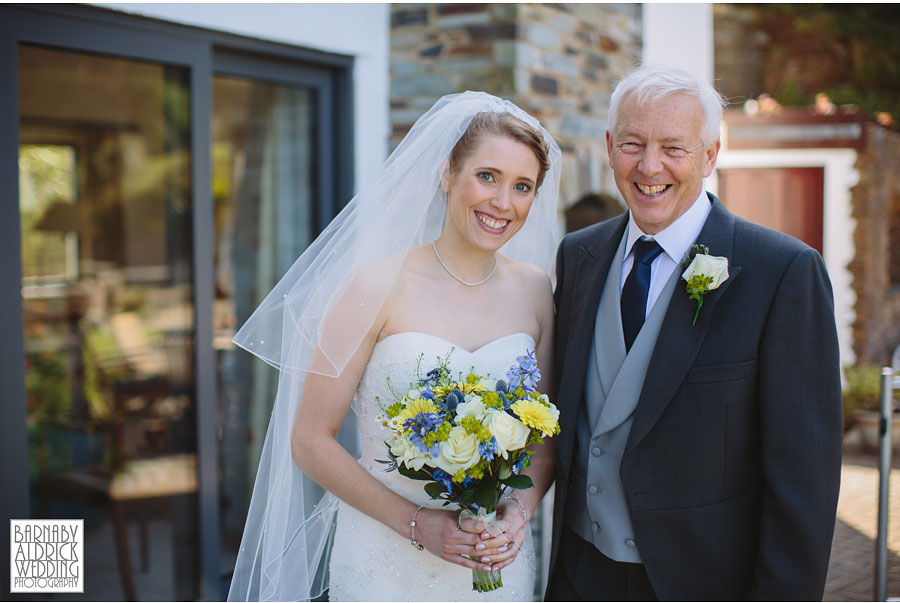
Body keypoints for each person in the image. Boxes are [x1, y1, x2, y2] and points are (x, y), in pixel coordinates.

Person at [227, 92, 561, 602]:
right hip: (386, 561)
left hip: (496, 564)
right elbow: (310, 441)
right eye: (487, 176)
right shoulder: (374, 286)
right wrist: (418, 523)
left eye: (522, 186)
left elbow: (545, 436)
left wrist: (518, 514)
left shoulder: (536, 289)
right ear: (448, 173)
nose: (503, 203)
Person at [546, 64, 842, 600]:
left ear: (710, 154)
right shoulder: (578, 255)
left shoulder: (783, 272)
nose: (649, 166)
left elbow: (805, 484)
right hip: (579, 576)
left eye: (673, 148)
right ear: (610, 146)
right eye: (632, 144)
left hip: (704, 584)